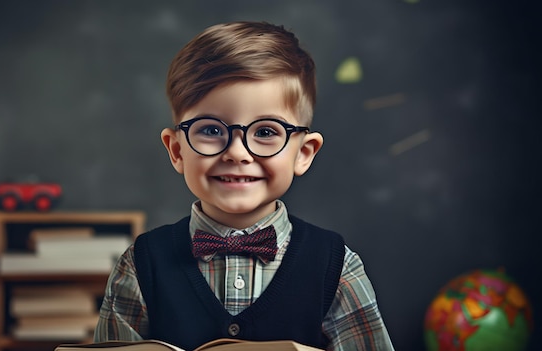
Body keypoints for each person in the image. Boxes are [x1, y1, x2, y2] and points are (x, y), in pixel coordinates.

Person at [94, 21, 394, 351]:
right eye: (210, 130)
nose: (237, 153)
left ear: (303, 153)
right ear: (177, 150)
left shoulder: (337, 268)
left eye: (266, 132)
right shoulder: (139, 265)